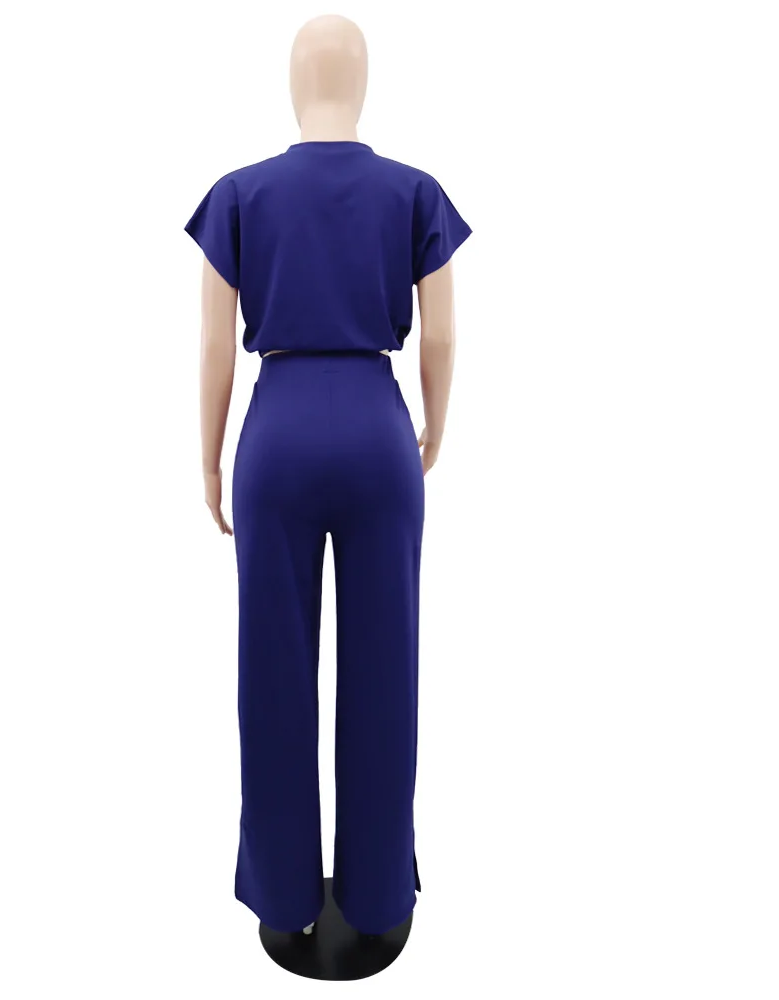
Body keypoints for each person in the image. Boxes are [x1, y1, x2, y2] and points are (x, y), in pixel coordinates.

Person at [184, 14, 471, 937]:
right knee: (387, 669)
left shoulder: (239, 195)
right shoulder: (415, 192)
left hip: (276, 434)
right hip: (379, 432)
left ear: (292, 82)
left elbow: (213, 348)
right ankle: (378, 900)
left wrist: (208, 457)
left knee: (271, 672)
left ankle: (285, 899)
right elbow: (442, 335)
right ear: (364, 82)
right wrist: (434, 425)